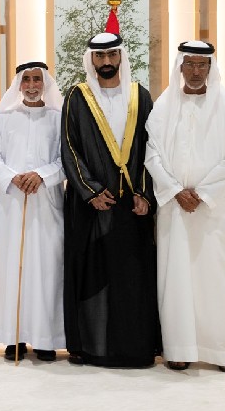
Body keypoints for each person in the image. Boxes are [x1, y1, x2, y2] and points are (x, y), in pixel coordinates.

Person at [144, 41, 225, 373]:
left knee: (215, 279)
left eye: (202, 65)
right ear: (180, 66)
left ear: (211, 68)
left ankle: (222, 352)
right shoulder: (164, 107)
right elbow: (152, 155)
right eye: (189, 64)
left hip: (213, 212)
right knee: (175, 280)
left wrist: (201, 194)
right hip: (175, 210)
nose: (195, 71)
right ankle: (179, 348)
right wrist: (175, 191)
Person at [61, 32, 160, 368]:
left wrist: (144, 193)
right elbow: (69, 147)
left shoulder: (139, 96)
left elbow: (152, 148)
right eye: (100, 56)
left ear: (120, 57)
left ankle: (134, 349)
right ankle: (91, 348)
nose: (106, 62)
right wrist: (90, 190)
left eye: (111, 55)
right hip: (91, 206)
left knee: (132, 277)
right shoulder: (78, 96)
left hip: (131, 207)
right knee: (92, 277)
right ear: (91, 59)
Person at [0, 61, 66, 362]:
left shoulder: (58, 118)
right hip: (13, 203)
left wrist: (42, 175)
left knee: (47, 270)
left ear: (45, 83)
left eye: (37, 80)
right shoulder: (4, 118)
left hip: (47, 204)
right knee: (13, 269)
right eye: (26, 80)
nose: (32, 85)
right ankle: (14, 337)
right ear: (18, 85)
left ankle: (46, 338)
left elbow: (66, 159)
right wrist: (12, 177)